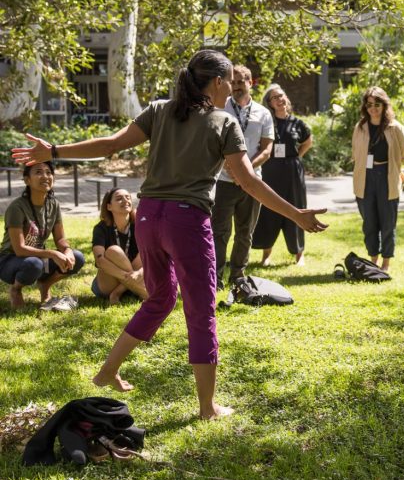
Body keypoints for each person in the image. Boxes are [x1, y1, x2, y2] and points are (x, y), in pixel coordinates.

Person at [12, 49, 327, 420]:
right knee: (201, 310)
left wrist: (54, 150)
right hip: (186, 222)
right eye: (229, 81)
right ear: (217, 82)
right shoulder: (224, 122)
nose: (233, 88)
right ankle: (208, 407)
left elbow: (111, 144)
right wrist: (296, 214)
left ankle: (108, 370)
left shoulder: (160, 110)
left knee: (160, 299)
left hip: (148, 217)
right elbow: (248, 182)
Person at [211, 65, 273, 290]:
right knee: (219, 232)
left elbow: (266, 150)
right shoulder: (220, 107)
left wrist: (245, 169)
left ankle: (237, 275)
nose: (236, 86)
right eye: (233, 82)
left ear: (251, 83)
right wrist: (234, 169)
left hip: (252, 182)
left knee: (245, 232)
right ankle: (215, 278)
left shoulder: (263, 113)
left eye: (241, 82)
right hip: (224, 181)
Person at [0, 161, 85, 309]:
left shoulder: (53, 204)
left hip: (37, 259)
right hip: (10, 260)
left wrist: (67, 250)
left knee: (77, 258)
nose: (45, 176)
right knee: (34, 264)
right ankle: (16, 289)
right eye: (38, 172)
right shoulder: (17, 207)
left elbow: (60, 238)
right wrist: (52, 254)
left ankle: (45, 285)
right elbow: (19, 249)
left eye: (48, 172)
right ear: (27, 180)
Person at [251, 84, 313, 266]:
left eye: (281, 95)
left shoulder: (297, 123)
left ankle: (299, 254)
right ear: (269, 103)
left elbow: (308, 141)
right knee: (269, 209)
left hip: (293, 170)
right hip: (271, 169)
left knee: (297, 208)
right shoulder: (267, 122)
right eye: (274, 98)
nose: (279, 100)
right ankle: (266, 255)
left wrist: (295, 157)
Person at [351, 87, 404, 273]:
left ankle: (386, 263)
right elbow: (355, 154)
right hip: (365, 178)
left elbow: (403, 154)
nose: (373, 109)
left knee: (387, 223)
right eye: (369, 105)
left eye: (377, 104)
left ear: (384, 105)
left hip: (387, 177)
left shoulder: (395, 128)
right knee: (369, 222)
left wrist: (395, 170)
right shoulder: (360, 127)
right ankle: (372, 260)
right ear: (365, 107)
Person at [91, 188, 148, 305]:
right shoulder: (100, 228)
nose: (125, 200)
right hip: (107, 284)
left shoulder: (139, 226)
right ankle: (144, 293)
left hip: (136, 278)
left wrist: (138, 274)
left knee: (144, 253)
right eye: (119, 198)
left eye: (128, 197)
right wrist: (129, 277)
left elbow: (149, 258)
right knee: (113, 251)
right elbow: (100, 261)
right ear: (109, 207)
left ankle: (117, 293)